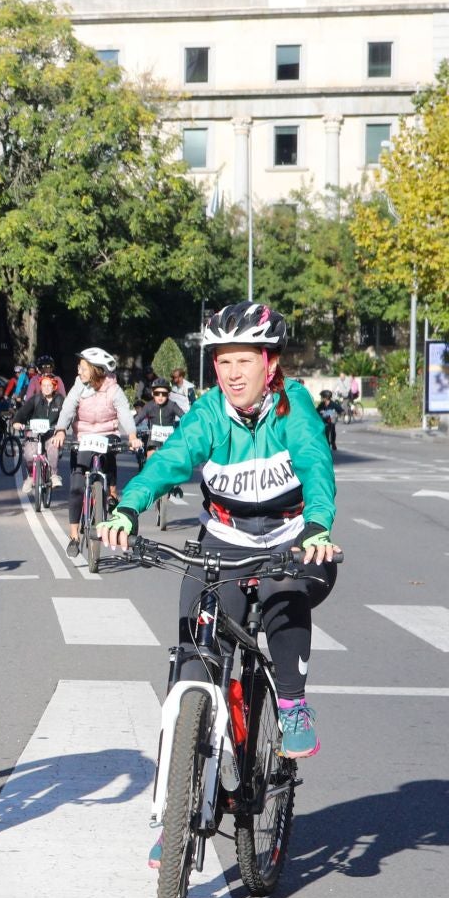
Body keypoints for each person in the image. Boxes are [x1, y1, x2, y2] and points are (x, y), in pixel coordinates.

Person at [100, 302, 340, 864]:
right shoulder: (208, 413)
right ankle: (174, 814)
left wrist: (320, 524)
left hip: (291, 540)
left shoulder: (293, 406)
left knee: (285, 597)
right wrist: (128, 508)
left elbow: (313, 461)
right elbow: (171, 461)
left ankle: (293, 703)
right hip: (224, 545)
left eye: (243, 361)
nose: (231, 373)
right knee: (191, 669)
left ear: (269, 362)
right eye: (222, 361)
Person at [55, 346, 142, 557]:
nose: (79, 371)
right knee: (76, 487)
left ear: (96, 369)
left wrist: (132, 436)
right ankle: (74, 536)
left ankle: (111, 492)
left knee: (110, 451)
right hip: (83, 436)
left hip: (107, 434)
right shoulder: (78, 386)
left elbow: (124, 413)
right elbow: (68, 408)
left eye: (83, 367)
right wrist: (60, 430)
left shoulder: (113, 389)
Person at [12, 372, 66, 491]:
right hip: (35, 431)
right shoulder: (35, 399)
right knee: (30, 453)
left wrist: (61, 429)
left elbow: (67, 415)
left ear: (54, 387)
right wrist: (17, 421)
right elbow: (22, 412)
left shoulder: (60, 400)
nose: (46, 388)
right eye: (44, 385)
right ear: (40, 386)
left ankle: (53, 475)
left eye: (49, 385)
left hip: (52, 431)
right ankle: (31, 476)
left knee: (53, 448)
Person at [136, 378, 186, 500]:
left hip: (169, 439)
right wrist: (131, 428)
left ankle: (175, 484)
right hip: (154, 438)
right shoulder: (149, 406)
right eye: (157, 393)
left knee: (176, 460)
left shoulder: (172, 405)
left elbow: (184, 417)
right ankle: (150, 482)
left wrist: (187, 427)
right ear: (153, 394)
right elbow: (138, 418)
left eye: (164, 394)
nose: (160, 396)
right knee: (151, 458)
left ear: (168, 394)